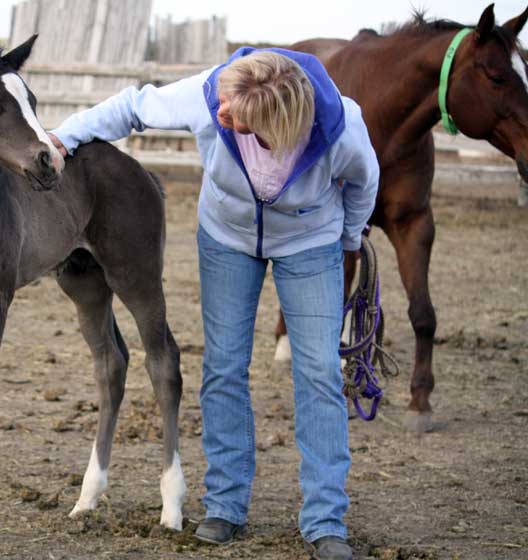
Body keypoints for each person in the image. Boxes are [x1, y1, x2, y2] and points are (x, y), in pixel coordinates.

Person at [48, 47, 379, 560]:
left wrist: (350, 237)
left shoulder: (339, 126)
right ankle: (224, 503)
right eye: (223, 106)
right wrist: (63, 136)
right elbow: (132, 107)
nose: (222, 116)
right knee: (224, 366)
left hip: (311, 241)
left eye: (238, 119)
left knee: (318, 371)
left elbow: (364, 181)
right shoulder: (211, 95)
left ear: (277, 123)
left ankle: (325, 518)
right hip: (227, 238)